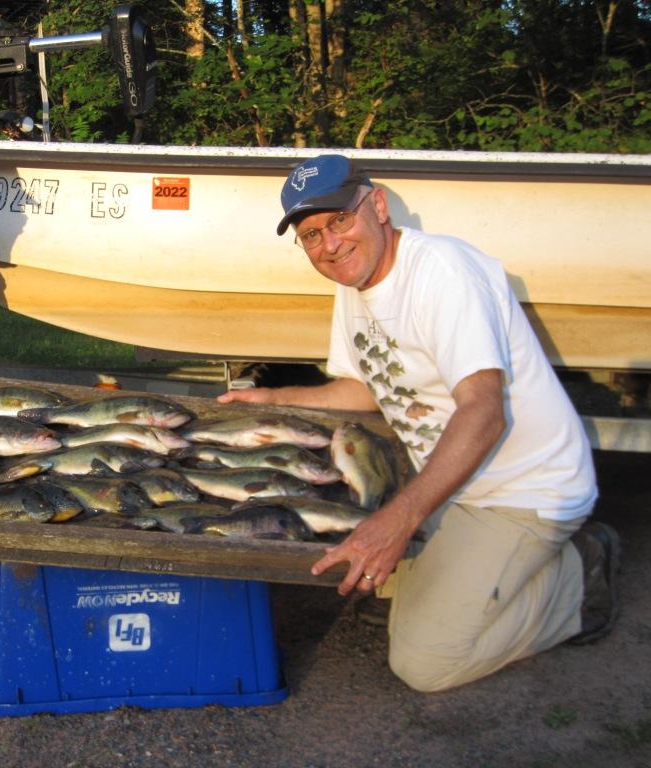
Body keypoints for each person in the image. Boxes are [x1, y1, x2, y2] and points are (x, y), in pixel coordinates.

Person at [219, 154, 619, 692]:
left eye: (339, 220)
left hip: (525, 492)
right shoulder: (354, 284)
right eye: (311, 235)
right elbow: (365, 388)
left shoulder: (443, 272)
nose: (330, 244)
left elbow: (484, 408)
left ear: (377, 205)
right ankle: (470, 578)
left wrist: (400, 518)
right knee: (378, 586)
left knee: (423, 662)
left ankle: (575, 581)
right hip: (457, 485)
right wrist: (270, 397)